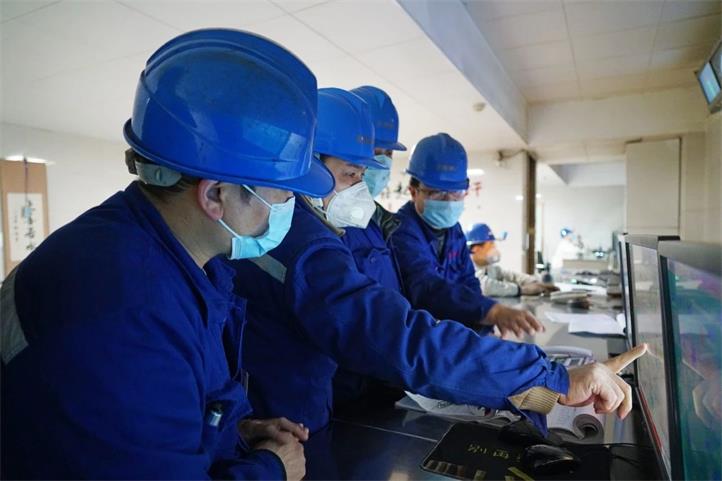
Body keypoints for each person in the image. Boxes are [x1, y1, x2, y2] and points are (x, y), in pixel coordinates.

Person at [0, 29, 334, 480]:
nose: (289, 206)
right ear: (215, 195)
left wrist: (236, 432)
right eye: (282, 192)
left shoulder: (175, 257)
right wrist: (272, 469)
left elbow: (154, 416)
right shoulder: (124, 309)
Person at [227, 89, 648, 437]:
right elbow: (397, 332)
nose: (361, 187)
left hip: (311, 411)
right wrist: (552, 378)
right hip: (301, 418)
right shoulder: (305, 243)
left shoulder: (309, 229)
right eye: (352, 173)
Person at [391, 133, 542, 338]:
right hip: (417, 337)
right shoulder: (401, 230)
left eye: (456, 193)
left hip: (451, 334)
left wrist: (482, 328)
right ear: (413, 191)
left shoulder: (454, 230)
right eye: (436, 192)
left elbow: (469, 281)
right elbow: (427, 287)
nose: (448, 201)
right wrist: (491, 311)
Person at [332, 86, 407, 408]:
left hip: (380, 380)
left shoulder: (375, 222)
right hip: (341, 394)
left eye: (387, 153)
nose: (380, 162)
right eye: (373, 150)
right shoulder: (322, 227)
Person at [466, 223, 557, 297]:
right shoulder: (465, 267)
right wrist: (522, 290)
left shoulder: (488, 268)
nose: (494, 248)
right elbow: (484, 286)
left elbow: (511, 275)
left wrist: (535, 282)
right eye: (491, 245)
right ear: (476, 249)